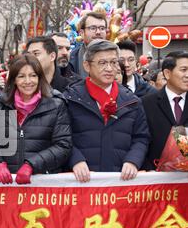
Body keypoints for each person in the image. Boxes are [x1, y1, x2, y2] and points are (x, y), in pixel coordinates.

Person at [64, 39, 149, 182]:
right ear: (86, 65)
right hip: (80, 180)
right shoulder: (70, 98)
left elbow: (141, 137)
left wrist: (133, 160)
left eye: (114, 62)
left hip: (120, 180)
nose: (109, 68)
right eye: (102, 63)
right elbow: (62, 138)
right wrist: (75, 160)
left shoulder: (132, 101)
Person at [0, 54, 72, 184]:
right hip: (6, 184)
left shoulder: (56, 104)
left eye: (33, 75)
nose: (28, 81)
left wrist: (31, 165)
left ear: (40, 78)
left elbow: (63, 145)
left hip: (44, 183)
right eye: (21, 76)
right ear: (13, 79)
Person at [142, 51, 188, 170]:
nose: (187, 75)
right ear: (167, 73)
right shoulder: (146, 104)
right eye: (184, 70)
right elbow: (141, 140)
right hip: (156, 177)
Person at [69, 12, 108, 78]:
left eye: (102, 28)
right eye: (93, 28)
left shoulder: (117, 56)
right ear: (82, 33)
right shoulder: (72, 58)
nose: (98, 32)